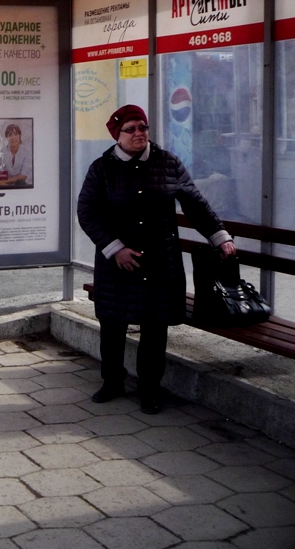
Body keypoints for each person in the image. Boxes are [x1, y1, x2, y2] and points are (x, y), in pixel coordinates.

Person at [77, 104, 235, 414]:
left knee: (155, 327)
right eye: (131, 129)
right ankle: (112, 381)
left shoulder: (167, 162)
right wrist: (114, 248)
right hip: (118, 264)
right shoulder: (102, 168)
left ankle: (149, 390)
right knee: (112, 324)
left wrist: (220, 235)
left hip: (160, 262)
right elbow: (87, 212)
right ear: (117, 135)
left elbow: (195, 203)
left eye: (143, 127)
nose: (139, 133)